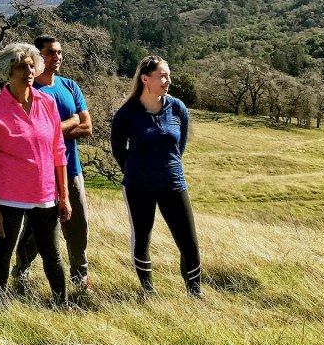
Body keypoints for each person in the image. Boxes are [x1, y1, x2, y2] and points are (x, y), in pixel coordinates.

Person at [0, 42, 71, 304]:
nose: (29, 71)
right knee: (3, 251)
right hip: (8, 198)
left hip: (45, 195)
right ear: (8, 71)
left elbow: (58, 151)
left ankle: (61, 303)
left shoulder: (48, 103)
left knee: (52, 253)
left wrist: (63, 195)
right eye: (21, 66)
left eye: (32, 65)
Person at [110, 55, 202, 297]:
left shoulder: (177, 107)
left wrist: (166, 166)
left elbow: (178, 146)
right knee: (142, 239)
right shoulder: (127, 114)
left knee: (189, 242)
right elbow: (118, 150)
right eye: (162, 76)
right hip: (139, 187)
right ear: (145, 79)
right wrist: (137, 171)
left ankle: (195, 292)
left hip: (173, 183)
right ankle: (148, 291)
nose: (168, 80)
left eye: (168, 75)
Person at [14, 36, 93, 288]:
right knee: (39, 230)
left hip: (71, 168)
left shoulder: (70, 86)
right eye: (50, 53)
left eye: (59, 52)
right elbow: (29, 134)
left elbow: (87, 126)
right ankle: (21, 270)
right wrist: (70, 122)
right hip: (40, 173)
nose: (56, 57)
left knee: (78, 227)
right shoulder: (29, 90)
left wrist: (53, 130)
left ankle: (80, 277)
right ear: (38, 56)